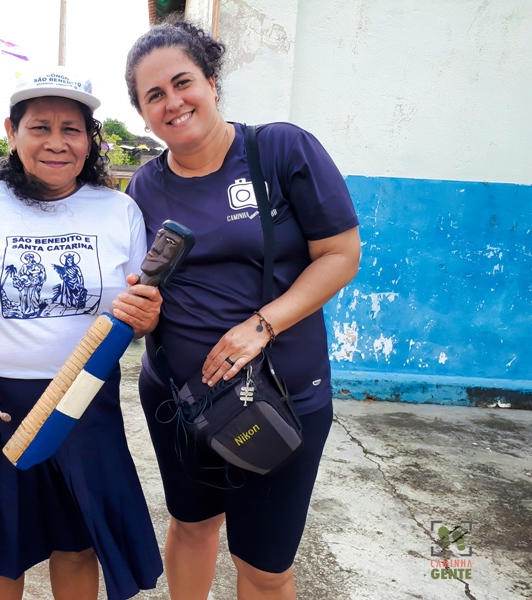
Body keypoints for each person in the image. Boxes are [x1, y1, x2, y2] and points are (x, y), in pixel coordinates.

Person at [124, 19, 362, 600]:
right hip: (178, 401)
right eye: (154, 95)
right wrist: (144, 315)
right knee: (190, 525)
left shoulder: (279, 150)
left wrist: (262, 325)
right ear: (142, 112)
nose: (173, 103)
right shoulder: (144, 189)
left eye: (183, 82)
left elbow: (340, 254)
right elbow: (147, 288)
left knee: (263, 566)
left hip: (279, 399)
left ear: (211, 80)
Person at [0, 65, 164, 600]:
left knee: (77, 546)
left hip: (84, 402)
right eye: (40, 127)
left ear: (90, 139)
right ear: (12, 132)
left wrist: (147, 318)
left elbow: (139, 305)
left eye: (71, 129)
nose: (57, 143)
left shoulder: (119, 210)